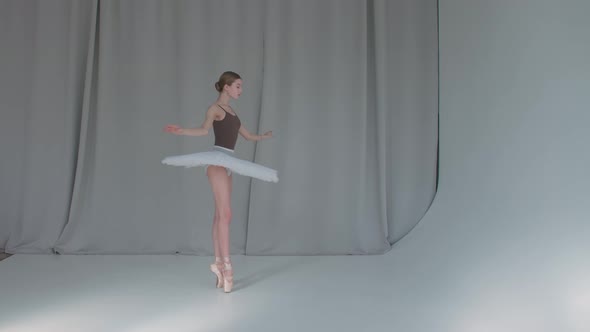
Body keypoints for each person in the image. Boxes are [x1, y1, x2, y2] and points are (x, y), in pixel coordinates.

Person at [162, 71, 278, 293]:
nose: (240, 90)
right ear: (226, 86)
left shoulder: (233, 111)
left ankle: (217, 262)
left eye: (241, 87)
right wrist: (182, 130)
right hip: (217, 160)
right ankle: (227, 266)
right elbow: (203, 130)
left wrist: (264, 136)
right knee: (226, 215)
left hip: (230, 161)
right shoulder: (214, 109)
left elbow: (247, 135)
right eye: (237, 86)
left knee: (220, 215)